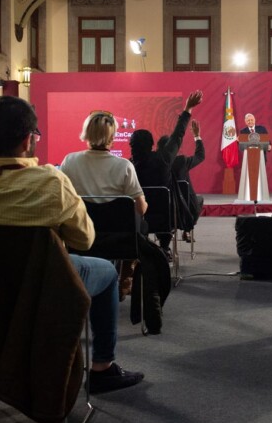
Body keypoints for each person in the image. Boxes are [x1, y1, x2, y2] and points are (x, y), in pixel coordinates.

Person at [0, 96, 143, 394]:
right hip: (36, 291)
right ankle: (102, 366)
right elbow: (84, 239)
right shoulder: (50, 183)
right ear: (27, 140)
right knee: (108, 272)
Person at [61, 110, 171, 334]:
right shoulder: (124, 166)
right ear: (112, 137)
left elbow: (63, 201)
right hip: (123, 244)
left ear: (86, 133)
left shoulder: (69, 161)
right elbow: (140, 208)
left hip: (80, 241)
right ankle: (147, 314)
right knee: (150, 254)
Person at [130, 91, 203, 258]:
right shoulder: (163, 159)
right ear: (151, 145)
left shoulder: (128, 166)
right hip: (166, 218)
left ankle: (142, 248)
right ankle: (164, 247)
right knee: (166, 207)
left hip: (138, 220)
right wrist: (187, 109)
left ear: (131, 146)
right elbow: (177, 135)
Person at [157, 119, 205, 242]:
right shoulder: (182, 162)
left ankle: (169, 229)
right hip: (184, 206)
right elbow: (200, 156)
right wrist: (197, 136)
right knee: (198, 200)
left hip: (159, 208)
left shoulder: (154, 162)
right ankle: (187, 230)